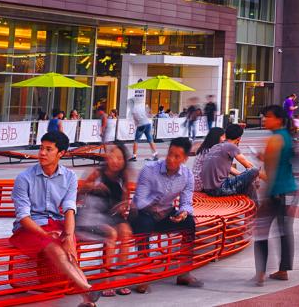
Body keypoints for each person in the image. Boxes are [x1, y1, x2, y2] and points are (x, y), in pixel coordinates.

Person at [11, 131, 98, 305]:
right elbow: (23, 217)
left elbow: (69, 209)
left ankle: (88, 300)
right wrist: (44, 235)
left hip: (56, 224)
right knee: (58, 249)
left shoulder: (69, 177)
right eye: (41, 148)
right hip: (29, 229)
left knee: (70, 250)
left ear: (61, 153)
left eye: (49, 149)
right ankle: (87, 289)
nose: (42, 153)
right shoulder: (24, 178)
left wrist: (68, 235)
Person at [132, 137, 204, 292]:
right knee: (144, 225)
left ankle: (184, 272)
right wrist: (155, 204)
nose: (171, 159)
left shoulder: (187, 175)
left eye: (177, 156)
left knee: (189, 223)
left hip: (166, 213)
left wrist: (184, 213)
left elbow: (186, 202)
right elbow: (139, 201)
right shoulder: (149, 170)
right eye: (170, 154)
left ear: (185, 159)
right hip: (145, 213)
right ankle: (143, 273)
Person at [77, 142, 133, 295]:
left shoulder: (123, 176)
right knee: (112, 234)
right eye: (113, 156)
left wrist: (123, 205)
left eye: (120, 158)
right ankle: (105, 279)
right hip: (93, 216)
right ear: (107, 158)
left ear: (124, 161)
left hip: (113, 216)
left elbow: (125, 199)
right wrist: (92, 187)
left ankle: (120, 277)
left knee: (126, 232)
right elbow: (78, 194)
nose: (116, 161)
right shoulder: (97, 173)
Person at [254, 104, 298, 285]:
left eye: (268, 116)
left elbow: (270, 173)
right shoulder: (288, 136)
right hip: (290, 190)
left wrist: (264, 193)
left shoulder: (273, 140)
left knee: (261, 231)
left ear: (278, 119)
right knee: (285, 230)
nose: (265, 119)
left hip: (276, 193)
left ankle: (260, 273)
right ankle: (283, 270)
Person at [198, 124, 260, 198]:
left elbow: (230, 169)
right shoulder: (231, 146)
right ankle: (256, 207)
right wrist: (257, 178)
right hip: (220, 188)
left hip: (207, 189)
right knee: (254, 170)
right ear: (239, 138)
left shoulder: (216, 146)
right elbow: (249, 166)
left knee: (249, 185)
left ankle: (255, 206)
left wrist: (244, 178)